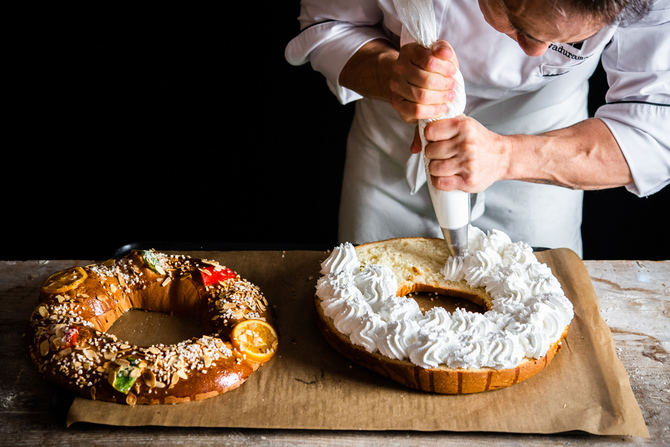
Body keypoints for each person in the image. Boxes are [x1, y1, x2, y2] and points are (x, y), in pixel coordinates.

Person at [285, 0, 669, 256]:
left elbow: (654, 129)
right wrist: (391, 74)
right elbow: (329, 25)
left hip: (546, 147)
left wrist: (506, 155)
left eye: (569, 41)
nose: (534, 52)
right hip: (392, 145)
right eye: (520, 25)